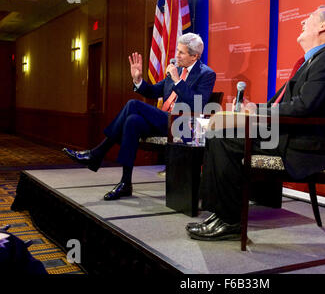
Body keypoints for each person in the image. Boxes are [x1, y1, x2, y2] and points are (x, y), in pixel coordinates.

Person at [186, 5, 325, 241]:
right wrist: (256, 109)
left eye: (309, 18)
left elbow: (305, 106)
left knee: (222, 139)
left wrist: (259, 111)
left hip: (303, 147)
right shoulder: (313, 61)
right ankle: (221, 213)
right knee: (217, 135)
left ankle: (230, 220)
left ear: (324, 26)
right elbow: (288, 103)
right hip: (289, 137)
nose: (302, 23)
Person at [63, 33, 216, 201]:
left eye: (181, 53)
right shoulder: (176, 70)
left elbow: (198, 105)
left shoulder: (206, 74)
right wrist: (138, 80)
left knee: (133, 105)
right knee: (132, 121)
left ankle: (97, 153)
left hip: (183, 125)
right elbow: (152, 91)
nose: (176, 56)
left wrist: (178, 81)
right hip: (164, 121)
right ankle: (125, 183)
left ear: (195, 56)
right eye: (177, 51)